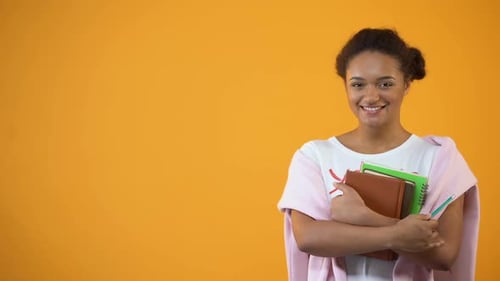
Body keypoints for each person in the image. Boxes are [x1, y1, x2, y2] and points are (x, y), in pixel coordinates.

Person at [277, 28, 479, 281]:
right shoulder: (314, 155)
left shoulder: (440, 159)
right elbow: (308, 238)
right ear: (346, 86)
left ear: (406, 84)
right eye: (358, 85)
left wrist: (365, 218)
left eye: (385, 83)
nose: (371, 96)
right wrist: (397, 234)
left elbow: (444, 254)